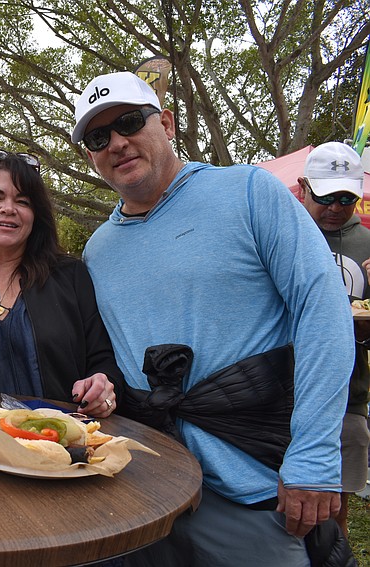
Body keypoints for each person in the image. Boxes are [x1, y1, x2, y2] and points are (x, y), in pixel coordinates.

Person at [74, 71, 355, 566]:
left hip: (255, 482)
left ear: (167, 123)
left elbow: (323, 311)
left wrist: (313, 454)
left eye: (129, 122)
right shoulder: (98, 250)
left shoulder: (248, 191)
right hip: (148, 485)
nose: (117, 142)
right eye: (99, 137)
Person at [0, 148, 123, 415]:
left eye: (23, 201)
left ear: (35, 215)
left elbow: (103, 359)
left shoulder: (70, 277)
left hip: (60, 443)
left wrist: (102, 386)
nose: (8, 209)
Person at [298, 141, 370, 539]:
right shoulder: (281, 237)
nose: (336, 208)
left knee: (335, 508)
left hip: (348, 399)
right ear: (303, 186)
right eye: (327, 196)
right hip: (283, 395)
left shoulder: (367, 245)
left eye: (347, 197)